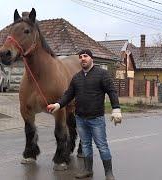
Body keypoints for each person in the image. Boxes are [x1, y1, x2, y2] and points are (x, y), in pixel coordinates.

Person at [46, 49, 122, 179]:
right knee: (86, 145)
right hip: (80, 118)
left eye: (85, 56)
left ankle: (109, 173)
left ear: (91, 58)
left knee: (102, 146)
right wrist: (57, 105)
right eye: (80, 57)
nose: (82, 59)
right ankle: (88, 170)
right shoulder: (76, 77)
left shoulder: (102, 74)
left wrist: (116, 109)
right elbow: (68, 95)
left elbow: (112, 91)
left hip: (96, 118)